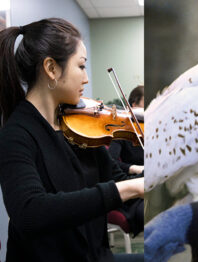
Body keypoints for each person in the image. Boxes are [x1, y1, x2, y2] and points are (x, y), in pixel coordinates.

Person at [0, 18, 144, 261]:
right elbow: (30, 211)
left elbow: (116, 179)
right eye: (81, 66)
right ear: (51, 69)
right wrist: (128, 189)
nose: (86, 79)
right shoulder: (16, 135)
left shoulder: (80, 127)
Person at [108, 85, 144, 237]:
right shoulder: (123, 131)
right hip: (132, 189)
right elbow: (111, 162)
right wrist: (135, 168)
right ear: (134, 106)